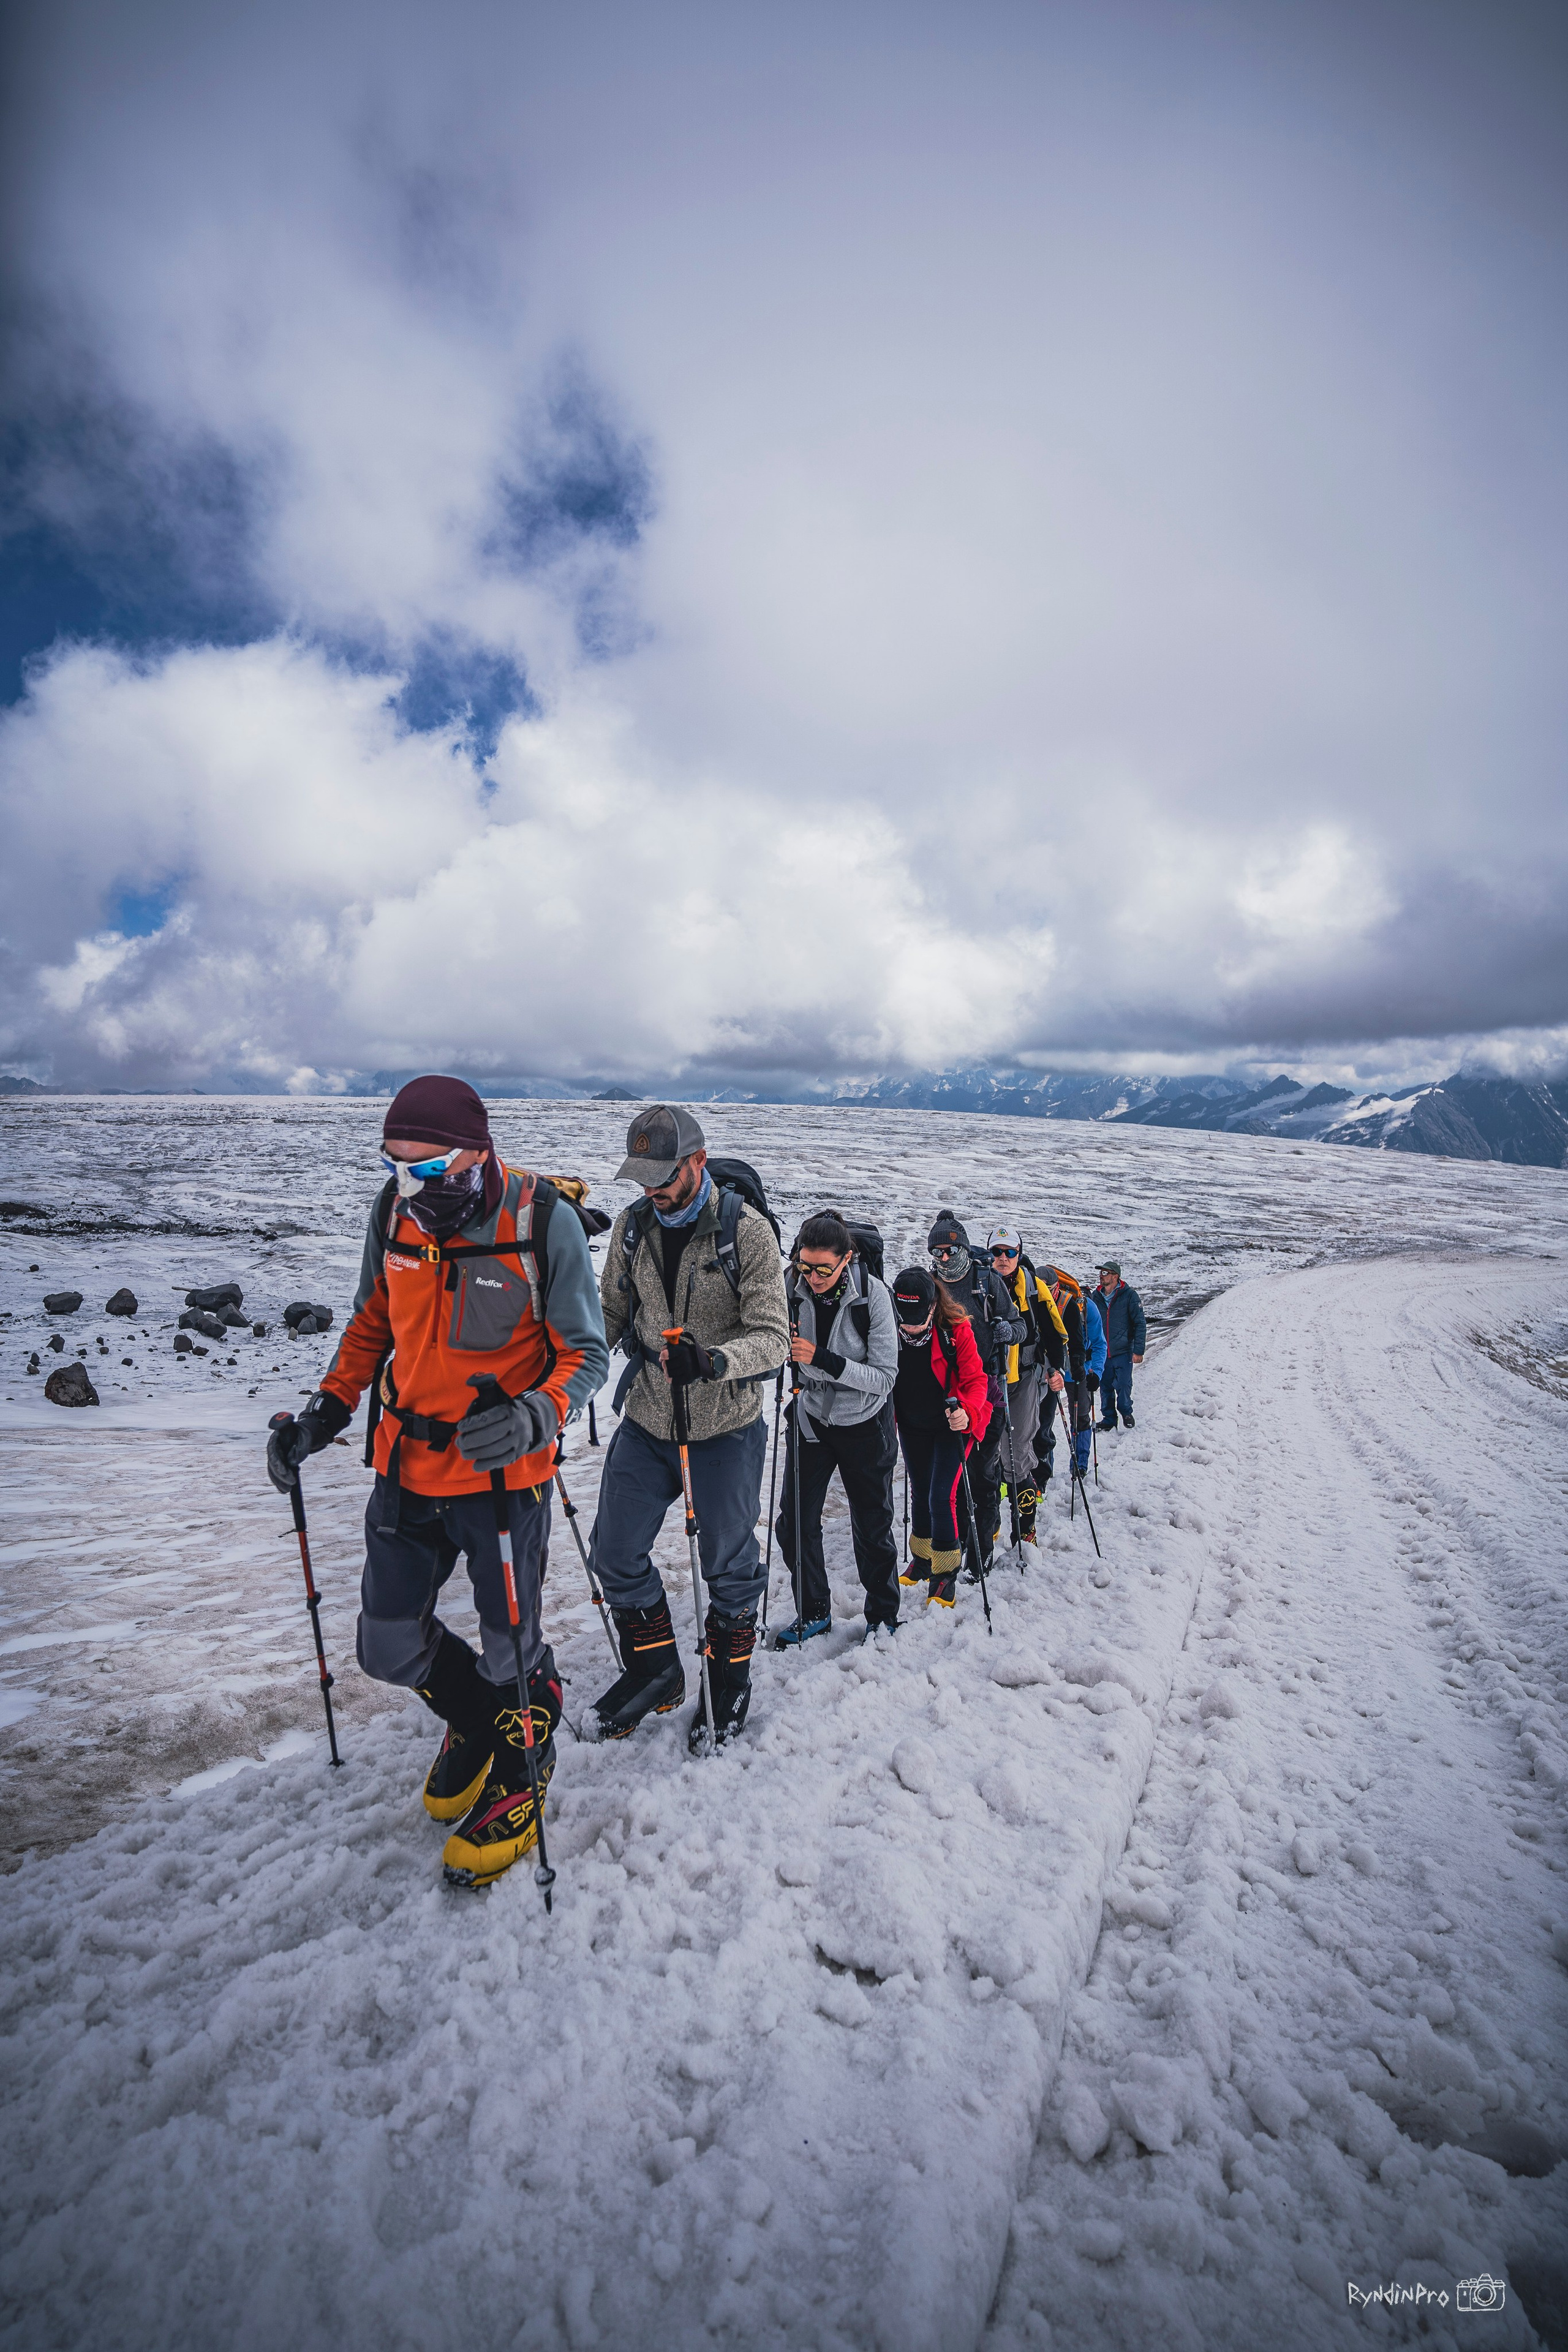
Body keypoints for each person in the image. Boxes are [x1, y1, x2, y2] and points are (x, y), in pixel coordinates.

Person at [265, 1075, 609, 1888]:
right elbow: (370, 1324)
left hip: (500, 1477)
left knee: (507, 1649)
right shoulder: (393, 1216)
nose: (411, 1187)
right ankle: (485, 1723)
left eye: (429, 1170)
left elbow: (587, 1354)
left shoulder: (538, 1220)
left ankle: (528, 1759)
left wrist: (538, 1414)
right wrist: (323, 1414)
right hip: (404, 1467)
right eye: (395, 1168)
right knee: (385, 1644)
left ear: (478, 1153)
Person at [591, 1104, 790, 1751]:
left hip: (725, 1424)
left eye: (663, 1173)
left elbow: (775, 1339)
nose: (650, 1187)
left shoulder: (746, 1233)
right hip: (647, 1417)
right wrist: (557, 1383)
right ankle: (656, 1670)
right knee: (615, 1554)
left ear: (696, 1162)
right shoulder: (631, 1226)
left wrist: (715, 1361)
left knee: (729, 1566)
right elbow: (607, 1319)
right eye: (641, 1175)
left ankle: (728, 1679)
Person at [773, 1212, 900, 1645]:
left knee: (872, 1525)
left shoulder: (874, 1296)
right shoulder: (792, 1285)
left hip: (865, 1422)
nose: (813, 1277)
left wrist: (820, 1359)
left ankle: (883, 1617)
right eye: (805, 1266)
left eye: (823, 1269)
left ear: (846, 1259)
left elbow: (885, 1378)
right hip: (812, 1419)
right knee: (793, 1523)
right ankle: (814, 1613)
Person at [926, 1211, 1023, 1567]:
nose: (945, 1258)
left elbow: (1019, 1325)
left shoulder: (987, 1281)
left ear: (965, 1248)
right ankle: (959, 1544)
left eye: (951, 1251)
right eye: (937, 1252)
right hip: (947, 1399)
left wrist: (1008, 1332)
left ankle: (980, 1553)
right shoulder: (929, 1283)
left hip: (989, 1395)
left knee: (982, 1474)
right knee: (956, 1477)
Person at [890, 1266, 990, 1608]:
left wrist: (967, 1412)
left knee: (940, 1495)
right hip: (912, 1424)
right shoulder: (887, 1327)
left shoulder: (956, 1331)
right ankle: (922, 1560)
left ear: (933, 1306)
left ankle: (945, 1572)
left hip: (951, 1424)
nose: (911, 1327)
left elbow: (978, 1381)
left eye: (919, 1319)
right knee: (919, 1490)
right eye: (906, 1319)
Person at [986, 1227, 1068, 1545]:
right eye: (997, 1252)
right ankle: (989, 1523)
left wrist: (1057, 1369)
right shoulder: (979, 1286)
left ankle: (1026, 1529)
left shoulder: (1034, 1288)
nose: (1003, 1259)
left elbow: (1052, 1331)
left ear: (1019, 1254)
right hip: (987, 1382)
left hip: (1023, 1380)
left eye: (1009, 1252)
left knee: (1018, 1452)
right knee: (987, 1453)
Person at [1036, 1265, 1105, 1487]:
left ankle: (1080, 1463)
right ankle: (1044, 1471)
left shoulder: (1086, 1308)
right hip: (1049, 1369)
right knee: (1041, 1421)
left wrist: (1096, 1372)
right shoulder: (1033, 1302)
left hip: (1078, 1368)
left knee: (1080, 1416)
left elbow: (1099, 1343)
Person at [1091, 1261, 1147, 1430]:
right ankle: (1109, 1419)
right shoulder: (1096, 1296)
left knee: (1123, 1385)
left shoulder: (1130, 1295)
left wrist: (1138, 1350)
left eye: (1105, 1273)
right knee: (1105, 1386)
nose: (1101, 1276)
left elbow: (1140, 1324)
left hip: (1123, 1351)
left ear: (1115, 1276)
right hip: (1102, 1352)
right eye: (1101, 1273)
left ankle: (1126, 1411)